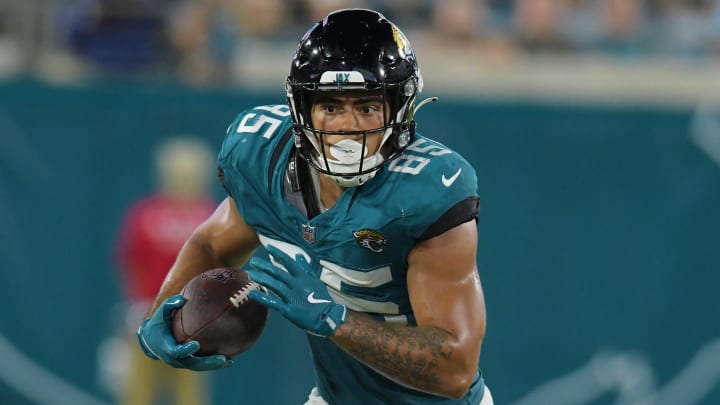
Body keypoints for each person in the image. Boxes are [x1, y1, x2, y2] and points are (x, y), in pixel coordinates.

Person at [137, 8, 492, 405]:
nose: (347, 125)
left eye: (367, 107)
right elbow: (211, 244)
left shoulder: (425, 192)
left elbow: (455, 369)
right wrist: (157, 322)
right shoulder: (262, 159)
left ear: (399, 110)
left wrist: (335, 320)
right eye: (331, 107)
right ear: (302, 110)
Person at [115, 137, 216, 405]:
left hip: (152, 314)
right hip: (188, 318)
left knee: (143, 391)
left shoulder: (145, 214)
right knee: (183, 392)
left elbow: (130, 264)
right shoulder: (211, 217)